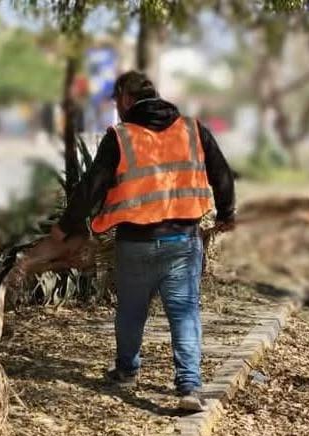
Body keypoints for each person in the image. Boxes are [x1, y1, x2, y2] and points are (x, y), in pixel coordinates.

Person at [49, 70, 236, 411]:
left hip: (135, 243)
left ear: (124, 97)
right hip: (183, 241)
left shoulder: (120, 137)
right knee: (184, 313)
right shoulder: (193, 130)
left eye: (115, 101)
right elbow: (222, 174)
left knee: (132, 311)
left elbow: (92, 187)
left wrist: (66, 226)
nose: (116, 109)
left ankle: (126, 370)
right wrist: (226, 213)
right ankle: (189, 387)